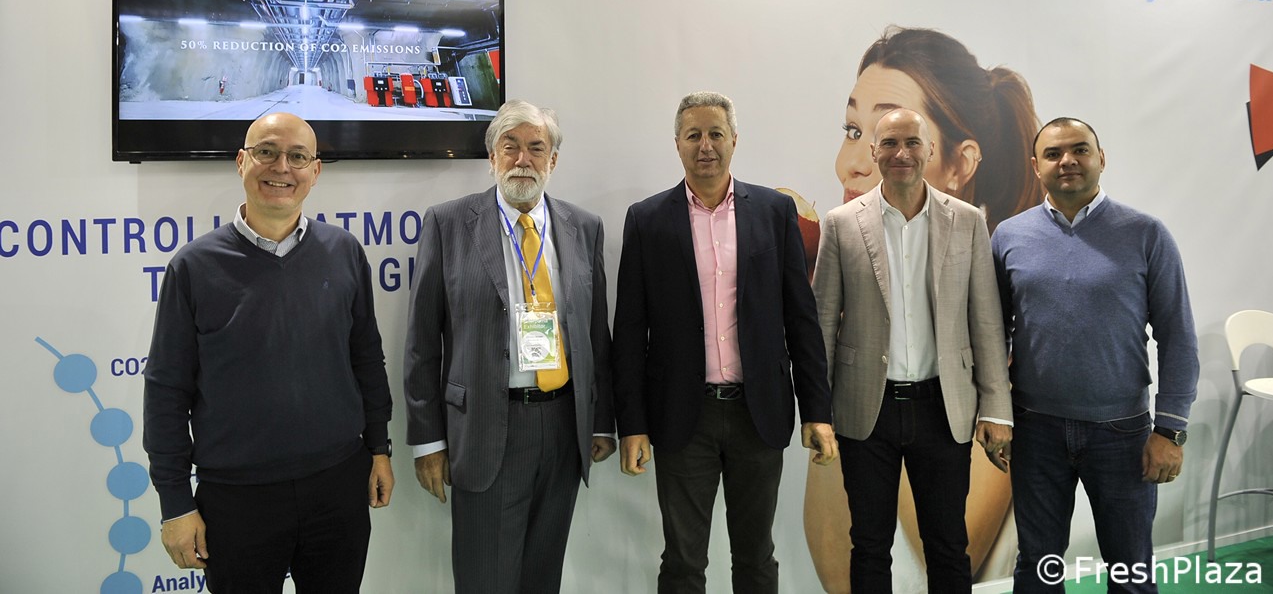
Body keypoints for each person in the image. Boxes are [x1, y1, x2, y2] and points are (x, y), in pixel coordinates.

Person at [805, 26, 1040, 592]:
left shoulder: (968, 225)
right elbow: (821, 328)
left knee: (947, 546)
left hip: (944, 408)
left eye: (912, 140)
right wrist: (818, 411)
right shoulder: (841, 226)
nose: (862, 160)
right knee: (868, 548)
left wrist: (996, 410)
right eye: (860, 133)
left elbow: (987, 325)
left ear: (954, 159)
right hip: (866, 409)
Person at [143, 112, 395, 593]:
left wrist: (379, 449)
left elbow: (366, 358)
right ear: (242, 161)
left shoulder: (344, 252)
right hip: (237, 499)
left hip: (339, 484)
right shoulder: (193, 267)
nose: (282, 167)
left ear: (315, 171)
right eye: (266, 152)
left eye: (298, 156)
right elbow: (166, 392)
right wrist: (174, 502)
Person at [612, 90, 837, 593]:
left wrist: (817, 412)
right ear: (677, 144)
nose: (705, 145)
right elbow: (628, 330)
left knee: (756, 558)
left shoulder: (775, 212)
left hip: (757, 414)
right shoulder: (647, 219)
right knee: (683, 562)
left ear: (734, 139)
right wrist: (633, 425)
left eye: (716, 133)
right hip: (681, 417)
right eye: (693, 135)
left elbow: (801, 320)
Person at [403, 99, 615, 594]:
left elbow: (594, 336)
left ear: (552, 160)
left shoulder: (584, 228)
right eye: (510, 146)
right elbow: (421, 342)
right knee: (486, 581)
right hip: (484, 429)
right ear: (492, 157)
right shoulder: (448, 223)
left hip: (563, 428)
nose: (523, 159)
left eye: (536, 148)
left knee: (543, 578)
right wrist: (428, 441)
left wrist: (600, 420)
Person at [991, 118, 1199, 593]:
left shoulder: (1146, 234)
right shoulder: (1008, 235)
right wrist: (995, 411)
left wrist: (1170, 429)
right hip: (1035, 430)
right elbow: (992, 333)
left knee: (1130, 568)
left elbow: (1178, 337)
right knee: (1037, 566)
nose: (1067, 161)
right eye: (1053, 153)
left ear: (1101, 158)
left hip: (1122, 432)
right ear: (1036, 166)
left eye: (1080, 150)